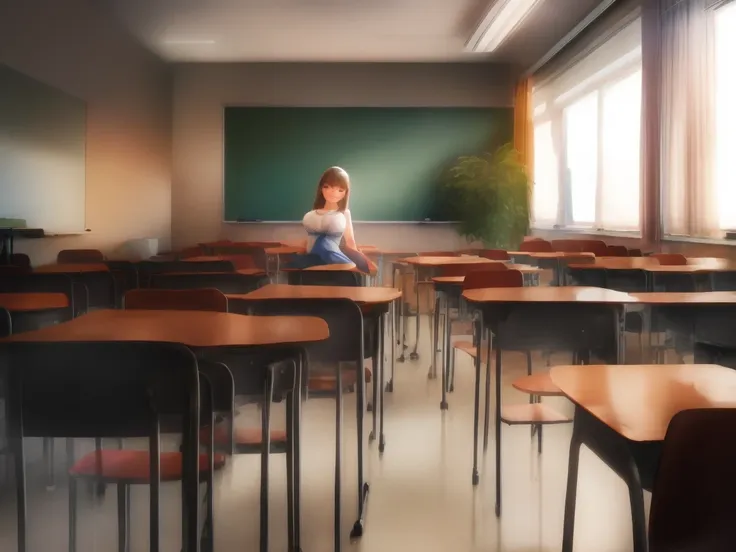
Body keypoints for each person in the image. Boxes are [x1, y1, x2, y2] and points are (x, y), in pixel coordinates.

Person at [286, 167, 373, 273]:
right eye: (328, 187)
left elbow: (350, 241)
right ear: (321, 188)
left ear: (345, 193)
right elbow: (309, 239)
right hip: (312, 257)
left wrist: (362, 258)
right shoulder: (313, 213)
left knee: (355, 271)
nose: (334, 192)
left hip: (333, 257)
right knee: (291, 265)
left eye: (340, 190)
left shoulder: (344, 212)